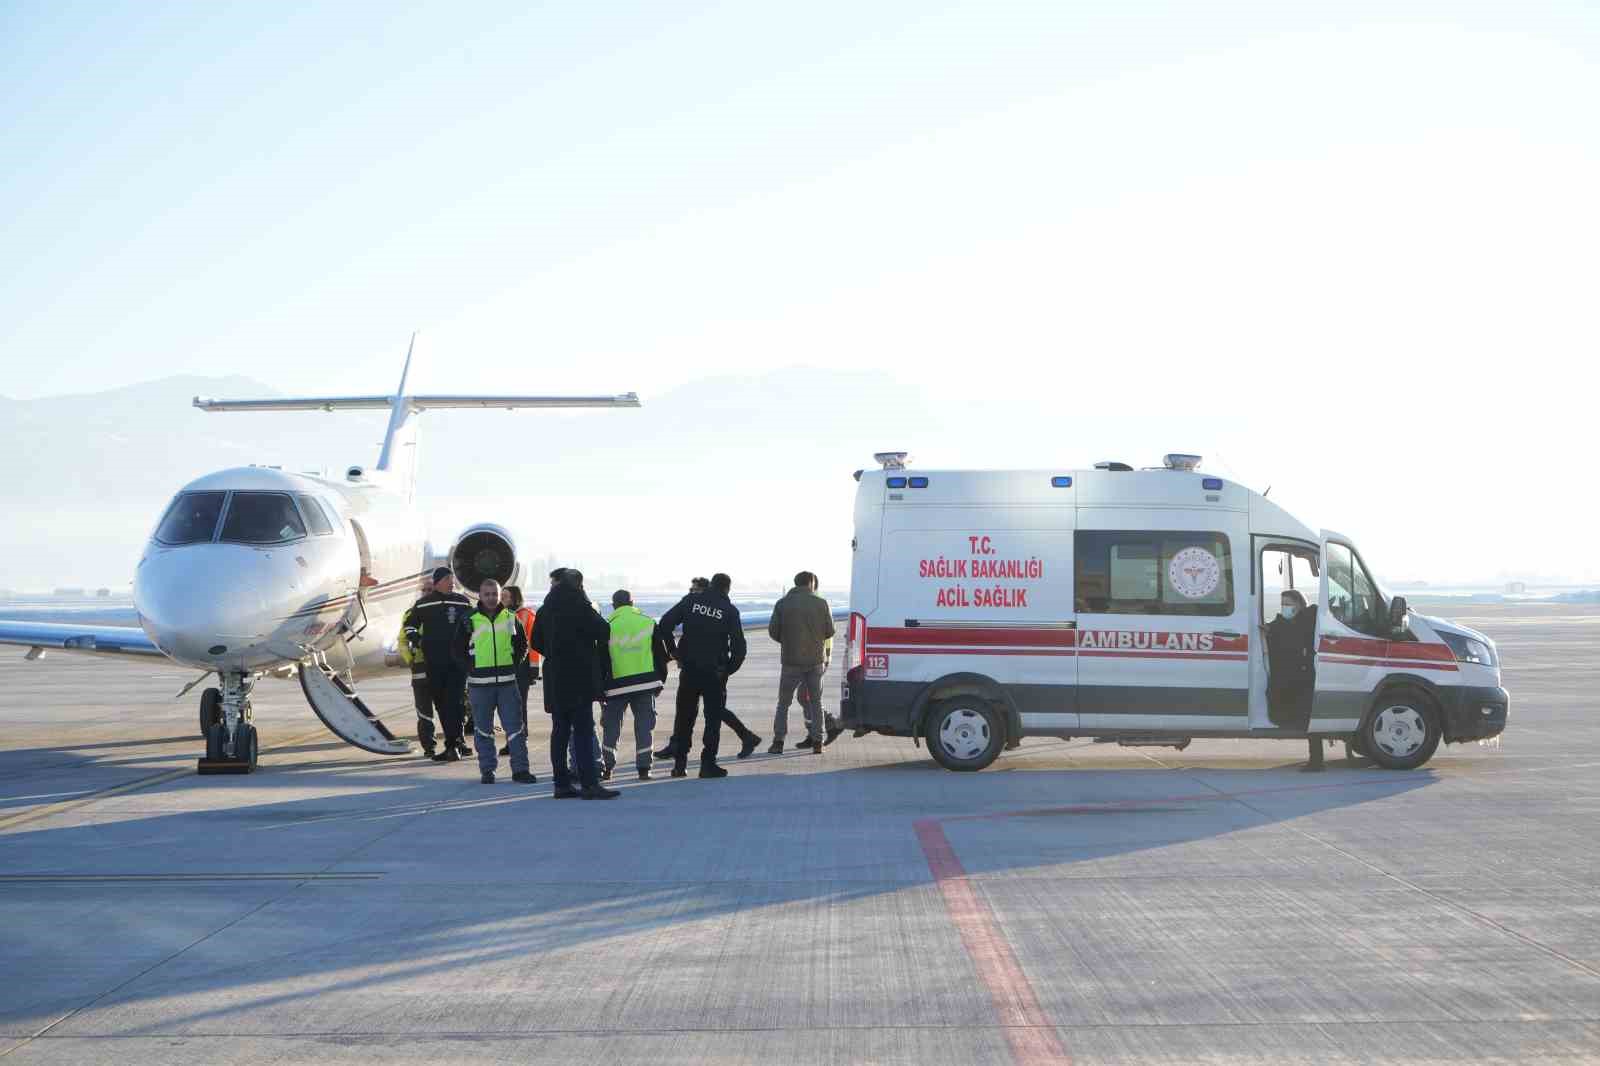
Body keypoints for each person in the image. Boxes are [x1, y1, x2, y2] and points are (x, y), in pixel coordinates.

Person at [531, 569, 619, 799]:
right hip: (579, 678)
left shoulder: (545, 609)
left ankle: (561, 783)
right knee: (582, 731)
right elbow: (603, 629)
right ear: (579, 585)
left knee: (559, 732)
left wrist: (554, 653)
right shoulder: (580, 606)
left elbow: (536, 641)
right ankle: (589, 784)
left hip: (555, 679)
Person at [654, 577, 763, 761]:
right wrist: (728, 669)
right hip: (713, 670)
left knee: (692, 712)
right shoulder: (728, 610)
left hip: (693, 668)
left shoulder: (692, 602)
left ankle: (680, 758)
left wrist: (674, 651)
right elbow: (739, 647)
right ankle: (705, 759)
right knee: (708, 712)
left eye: (694, 589)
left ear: (707, 588)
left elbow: (665, 623)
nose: (691, 591)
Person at [453, 579, 537, 785]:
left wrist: (513, 665)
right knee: (483, 730)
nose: (491, 598)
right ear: (480, 596)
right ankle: (487, 771)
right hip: (479, 685)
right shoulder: (468, 619)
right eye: (487, 594)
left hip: (507, 683)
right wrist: (470, 667)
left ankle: (520, 770)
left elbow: (522, 645)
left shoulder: (510, 618)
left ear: (500, 596)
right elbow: (456, 650)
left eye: (494, 594)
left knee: (515, 727)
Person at [600, 590, 669, 781]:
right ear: (632, 603)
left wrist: (601, 690)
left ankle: (607, 768)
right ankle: (644, 769)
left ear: (613, 605)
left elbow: (602, 661)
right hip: (645, 684)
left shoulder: (607, 626)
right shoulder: (647, 622)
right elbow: (660, 656)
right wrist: (659, 682)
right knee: (645, 727)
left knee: (611, 728)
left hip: (616, 686)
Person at [768, 570, 839, 754]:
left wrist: (789, 642)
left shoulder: (782, 604)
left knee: (783, 703)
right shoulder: (821, 603)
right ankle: (818, 742)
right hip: (815, 661)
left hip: (791, 661)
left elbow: (773, 631)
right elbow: (830, 630)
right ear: (811, 583)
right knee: (816, 702)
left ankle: (778, 742)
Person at [407, 566, 474, 762]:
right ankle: (453, 743)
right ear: (437, 582)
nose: (452, 582)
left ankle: (454, 744)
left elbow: (473, 625)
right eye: (447, 579)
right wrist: (419, 641)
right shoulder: (423, 604)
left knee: (456, 702)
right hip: (434, 663)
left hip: (457, 664)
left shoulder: (462, 602)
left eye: (452, 579)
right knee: (441, 704)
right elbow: (409, 625)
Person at [1261, 588, 1322, 771]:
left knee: (1309, 719)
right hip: (1297, 677)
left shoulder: (1308, 619)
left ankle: (1317, 761)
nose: (1284, 607)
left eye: (1288, 603)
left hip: (1305, 678)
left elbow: (1292, 630)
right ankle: (1316, 761)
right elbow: (1281, 629)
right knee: (1306, 719)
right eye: (1283, 604)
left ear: (1299, 604)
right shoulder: (1286, 624)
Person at [498, 585, 540, 757]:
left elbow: (533, 645)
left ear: (515, 597)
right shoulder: (504, 615)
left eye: (506, 596)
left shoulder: (525, 615)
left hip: (522, 668)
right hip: (506, 666)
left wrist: (533, 668)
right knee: (508, 706)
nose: (502, 599)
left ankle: (518, 739)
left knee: (518, 705)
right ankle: (514, 739)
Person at [399, 573, 438, 756]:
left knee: (448, 708)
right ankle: (429, 747)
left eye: (430, 590)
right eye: (424, 590)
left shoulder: (442, 611)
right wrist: (411, 659)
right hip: (421, 668)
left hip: (441, 667)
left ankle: (455, 743)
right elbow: (402, 641)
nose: (427, 592)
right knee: (424, 711)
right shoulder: (410, 614)